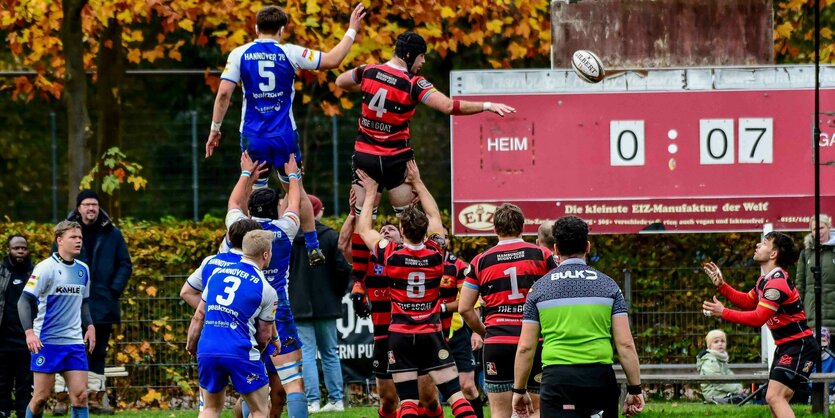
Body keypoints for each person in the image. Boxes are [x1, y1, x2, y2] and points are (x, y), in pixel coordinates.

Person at [205, 4, 367, 266]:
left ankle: (244, 247)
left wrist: (215, 129)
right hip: (283, 136)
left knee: (253, 187)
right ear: (282, 30)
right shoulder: (289, 52)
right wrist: (351, 29)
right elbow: (332, 60)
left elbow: (224, 94)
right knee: (294, 185)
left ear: (256, 28)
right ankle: (313, 244)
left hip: (254, 135)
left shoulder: (240, 53)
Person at [334, 31, 516, 219]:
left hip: (366, 156)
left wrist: (366, 87)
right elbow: (448, 106)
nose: (423, 62)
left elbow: (340, 82)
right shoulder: (414, 84)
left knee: (361, 218)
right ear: (409, 56)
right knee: (408, 221)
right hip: (395, 160)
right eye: (421, 56)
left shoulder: (368, 71)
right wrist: (487, 105)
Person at [355, 161, 477, 418]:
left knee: (408, 400)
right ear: (428, 232)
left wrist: (370, 191)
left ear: (401, 231)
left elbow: (364, 229)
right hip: (431, 333)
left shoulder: (390, 254)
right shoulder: (436, 253)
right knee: (455, 395)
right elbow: (434, 217)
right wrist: (418, 183)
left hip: (400, 334)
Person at [513, 216, 644, 418]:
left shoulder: (538, 289)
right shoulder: (609, 286)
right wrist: (635, 389)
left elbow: (526, 348)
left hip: (557, 379)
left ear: (555, 249)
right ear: (588, 246)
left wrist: (519, 390)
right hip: (598, 378)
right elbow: (625, 345)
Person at [226, 151, 310, 418]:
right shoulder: (284, 229)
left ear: (250, 210)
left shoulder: (239, 230)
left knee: (254, 384)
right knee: (293, 380)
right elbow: (295, 203)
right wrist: (293, 175)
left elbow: (233, 201)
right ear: (277, 210)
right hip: (277, 308)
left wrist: (246, 173)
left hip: (246, 310)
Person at [703, 231, 818, 418]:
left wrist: (723, 312)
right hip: (788, 346)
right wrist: (722, 286)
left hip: (799, 347)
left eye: (764, 243)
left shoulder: (777, 284)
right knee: (776, 401)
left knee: (774, 397)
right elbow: (748, 301)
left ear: (773, 254)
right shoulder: (766, 280)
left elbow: (758, 318)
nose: (757, 245)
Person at [459, 204, 557, 418]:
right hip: (535, 342)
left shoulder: (481, 260)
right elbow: (558, 295)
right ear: (523, 227)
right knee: (536, 410)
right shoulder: (542, 255)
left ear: (494, 229)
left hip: (497, 343)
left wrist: (486, 332)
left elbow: (465, 308)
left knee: (500, 413)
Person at [342, 212, 440, 418]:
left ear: (403, 234)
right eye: (382, 230)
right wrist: (353, 215)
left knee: (428, 399)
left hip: (419, 333)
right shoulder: (372, 260)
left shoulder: (422, 258)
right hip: (384, 337)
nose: (385, 231)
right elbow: (344, 246)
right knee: (388, 401)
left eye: (391, 229)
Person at [186, 230, 280, 418]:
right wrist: (261, 352)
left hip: (208, 349)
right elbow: (264, 336)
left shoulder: (217, 275)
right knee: (260, 409)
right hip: (240, 351)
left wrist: (191, 344)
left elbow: (198, 316)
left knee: (210, 409)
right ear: (266, 254)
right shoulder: (266, 288)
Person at [54, 190, 132, 415]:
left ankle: (95, 398)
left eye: (94, 205)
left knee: (97, 351)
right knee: (66, 349)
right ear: (78, 208)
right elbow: (56, 262)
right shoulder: (66, 232)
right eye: (86, 204)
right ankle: (62, 399)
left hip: (103, 304)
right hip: (70, 305)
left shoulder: (112, 234)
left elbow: (125, 264)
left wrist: (113, 290)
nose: (91, 209)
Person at [18, 221, 96, 418]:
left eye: (80, 237)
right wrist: (29, 333)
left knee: (80, 396)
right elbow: (24, 300)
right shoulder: (45, 268)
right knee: (40, 398)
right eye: (73, 237)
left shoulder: (83, 270)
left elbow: (84, 301)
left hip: (74, 342)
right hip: (47, 342)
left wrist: (90, 325)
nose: (78, 241)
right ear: (60, 240)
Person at [287, 195, 352, 413]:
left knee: (306, 353)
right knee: (330, 353)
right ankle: (336, 400)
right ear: (317, 211)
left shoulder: (289, 237)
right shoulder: (330, 236)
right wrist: (337, 292)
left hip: (299, 303)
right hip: (327, 303)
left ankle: (312, 401)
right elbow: (344, 269)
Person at [438, 229, 483, 418]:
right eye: (437, 234)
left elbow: (472, 302)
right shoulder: (419, 262)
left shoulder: (457, 265)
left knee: (468, 386)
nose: (441, 239)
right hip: (430, 334)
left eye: (445, 236)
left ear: (448, 240)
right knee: (427, 392)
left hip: (456, 334)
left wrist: (476, 332)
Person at [180, 219, 263, 310]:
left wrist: (212, 313)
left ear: (230, 238)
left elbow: (186, 292)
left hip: (211, 323)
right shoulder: (252, 266)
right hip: (241, 323)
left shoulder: (210, 261)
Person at [0, 235, 34, 418]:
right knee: (2, 382)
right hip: (3, 339)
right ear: (8, 250)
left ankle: (24, 413)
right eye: (16, 248)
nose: (21, 251)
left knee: (25, 382)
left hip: (27, 339)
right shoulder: (1, 272)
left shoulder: (35, 273)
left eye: (24, 248)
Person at [796, 214, 835, 332]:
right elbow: (800, 284)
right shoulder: (806, 253)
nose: (818, 232)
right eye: (814, 229)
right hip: (812, 316)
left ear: (829, 227)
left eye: (821, 228)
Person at [696, 329, 746, 404]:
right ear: (710, 346)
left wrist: (738, 386)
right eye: (716, 342)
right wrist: (736, 389)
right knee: (743, 400)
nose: (720, 344)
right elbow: (718, 382)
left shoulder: (720, 358)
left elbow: (730, 375)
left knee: (746, 398)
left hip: (722, 391)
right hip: (714, 393)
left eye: (722, 341)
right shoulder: (710, 360)